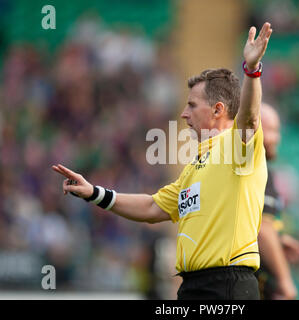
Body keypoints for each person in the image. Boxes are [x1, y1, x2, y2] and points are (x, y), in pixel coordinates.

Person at [52, 22, 273, 300]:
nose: (183, 114)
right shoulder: (195, 166)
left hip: (228, 286)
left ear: (218, 109)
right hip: (194, 287)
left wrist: (252, 72)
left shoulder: (237, 147)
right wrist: (95, 193)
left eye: (192, 105)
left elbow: (250, 117)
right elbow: (153, 206)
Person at [256, 103, 299, 299]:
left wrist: (278, 241)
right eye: (272, 131)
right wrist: (286, 282)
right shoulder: (257, 171)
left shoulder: (247, 170)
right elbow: (262, 229)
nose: (278, 138)